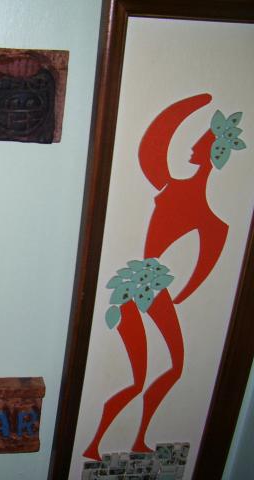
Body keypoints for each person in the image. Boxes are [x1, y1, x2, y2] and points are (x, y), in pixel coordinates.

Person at [84, 93, 242, 460]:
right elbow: (153, 148)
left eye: (201, 142)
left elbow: (203, 266)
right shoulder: (197, 208)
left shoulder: (201, 211)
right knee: (151, 373)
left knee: (165, 370)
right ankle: (101, 442)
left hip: (146, 287)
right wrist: (193, 103)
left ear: (213, 152)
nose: (193, 146)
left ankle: (128, 439)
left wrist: (186, 290)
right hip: (144, 287)